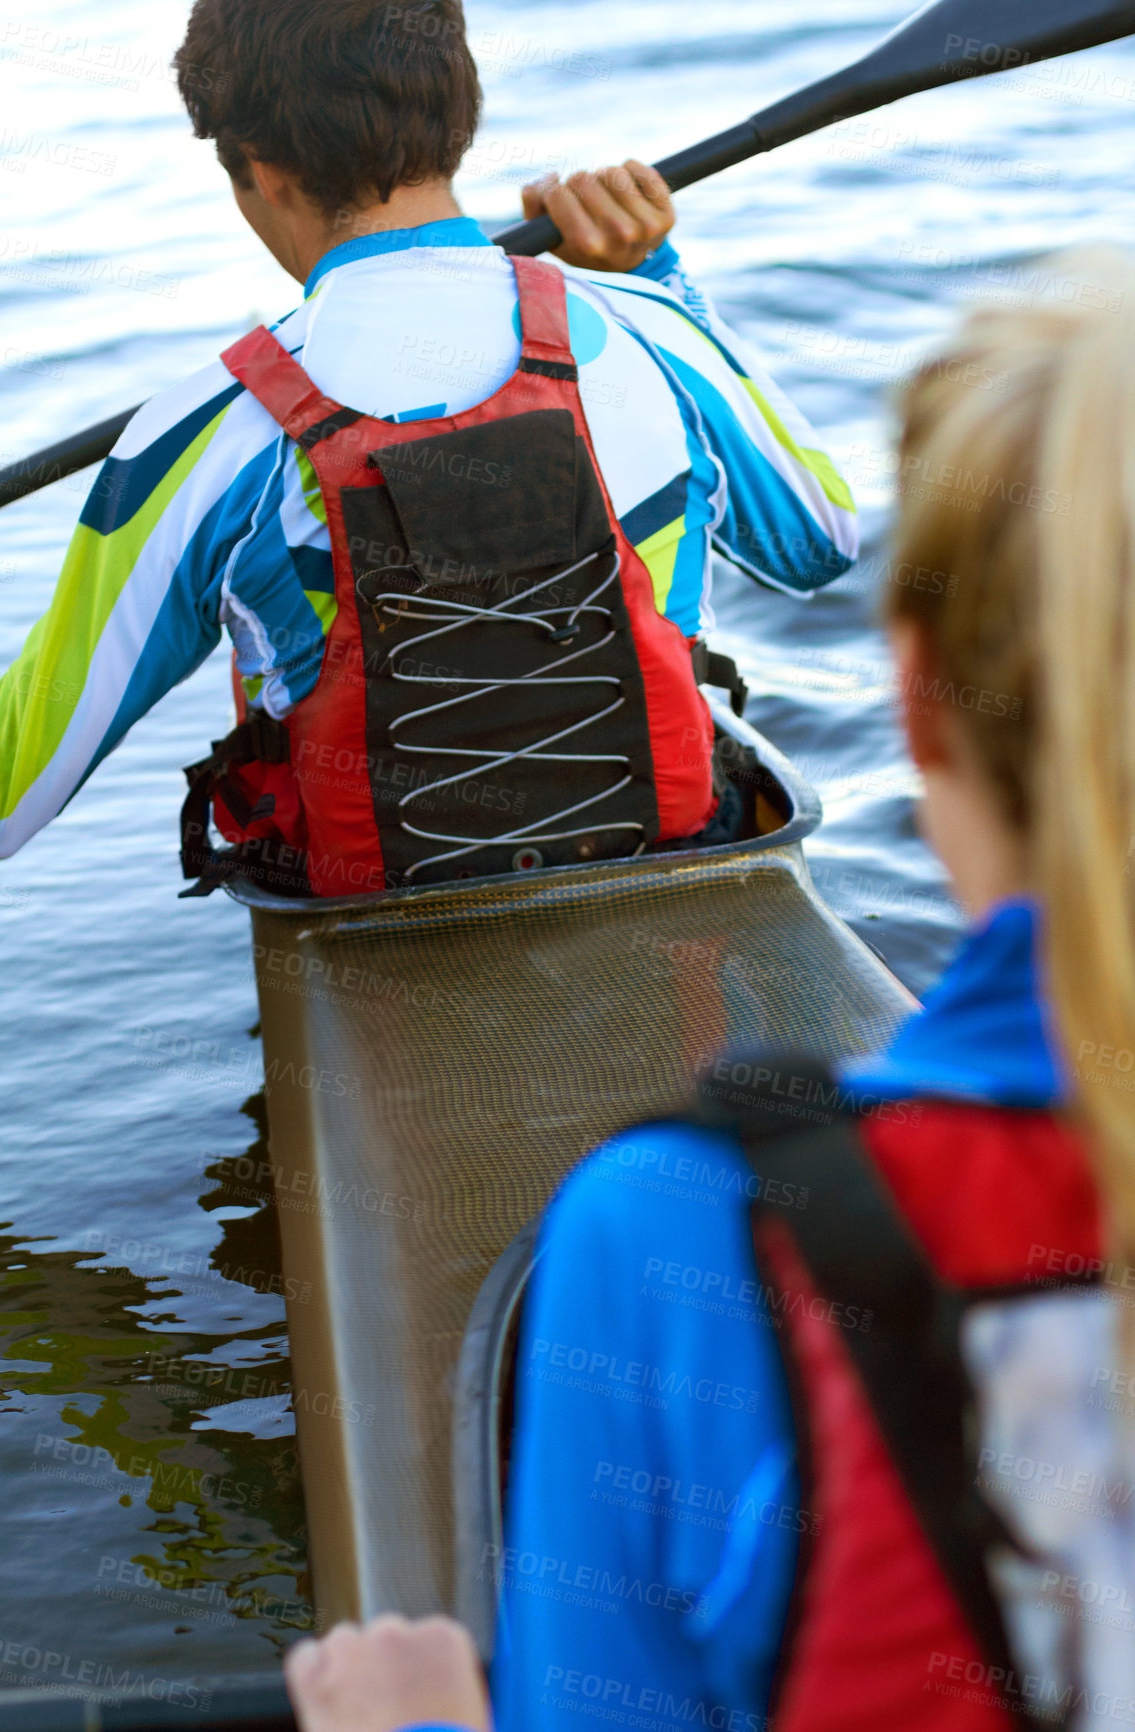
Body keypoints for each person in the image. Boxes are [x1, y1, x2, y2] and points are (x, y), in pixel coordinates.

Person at [282, 249, 1135, 1731]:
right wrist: (658, 284)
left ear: (918, 699)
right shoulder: (639, 337)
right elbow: (802, 527)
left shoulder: (681, 1232)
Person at [0, 0, 856, 895]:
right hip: (670, 885)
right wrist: (660, 282)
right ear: (458, 119)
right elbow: (817, 544)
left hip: (373, 942)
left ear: (261, 169)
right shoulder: (654, 332)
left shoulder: (198, 435)